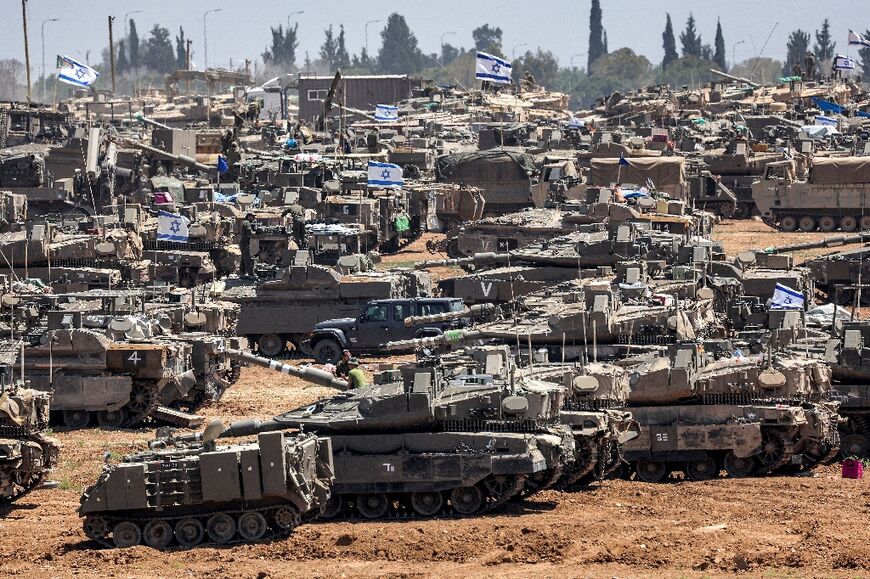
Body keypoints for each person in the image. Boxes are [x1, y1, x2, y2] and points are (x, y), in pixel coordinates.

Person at [239, 212, 256, 277]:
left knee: (243, 258)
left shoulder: (245, 222)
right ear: (249, 216)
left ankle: (242, 273)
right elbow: (249, 232)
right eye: (253, 217)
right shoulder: (247, 222)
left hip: (243, 243)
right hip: (245, 243)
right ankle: (250, 275)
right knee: (247, 259)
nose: (254, 218)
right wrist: (255, 233)